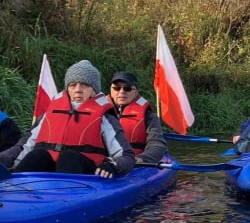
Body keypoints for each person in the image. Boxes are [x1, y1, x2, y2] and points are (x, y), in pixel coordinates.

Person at [0, 60, 135, 177]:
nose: (78, 90)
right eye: (73, 85)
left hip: (85, 176)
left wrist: (112, 165)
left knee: (69, 157)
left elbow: (126, 156)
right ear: (67, 88)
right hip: (49, 174)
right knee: (38, 154)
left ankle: (68, 200)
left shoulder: (105, 118)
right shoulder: (48, 114)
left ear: (94, 90)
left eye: (85, 85)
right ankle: (15, 190)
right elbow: (23, 147)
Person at [108, 71, 169, 165]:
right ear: (111, 90)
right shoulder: (100, 113)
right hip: (106, 164)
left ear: (136, 92)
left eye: (127, 88)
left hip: (136, 165)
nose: (121, 92)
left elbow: (157, 144)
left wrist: (141, 159)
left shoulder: (149, 116)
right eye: (116, 88)